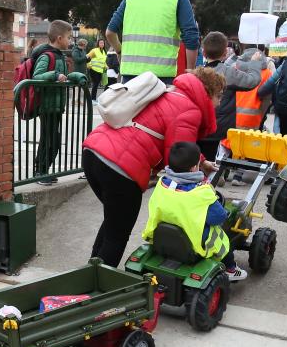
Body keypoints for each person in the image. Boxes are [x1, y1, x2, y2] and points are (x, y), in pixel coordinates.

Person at [81, 67, 224, 267]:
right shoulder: (190, 109)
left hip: (94, 152)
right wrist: (201, 185)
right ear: (208, 93)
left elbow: (176, 144)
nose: (219, 103)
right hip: (120, 166)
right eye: (219, 97)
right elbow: (178, 159)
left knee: (113, 221)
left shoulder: (171, 93)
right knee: (117, 234)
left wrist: (200, 160)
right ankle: (97, 288)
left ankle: (91, 272)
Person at [144, 141, 247, 282]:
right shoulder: (201, 192)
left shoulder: (162, 183)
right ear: (194, 168)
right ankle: (230, 268)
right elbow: (219, 217)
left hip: (161, 234)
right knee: (223, 239)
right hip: (192, 240)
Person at [106, 0, 200, 82]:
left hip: (130, 76)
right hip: (162, 78)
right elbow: (191, 36)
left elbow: (110, 32)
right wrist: (190, 71)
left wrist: (120, 51)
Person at [201, 31, 264, 161]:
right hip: (218, 127)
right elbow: (252, 81)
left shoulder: (196, 73)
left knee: (198, 158)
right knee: (209, 158)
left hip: (198, 124)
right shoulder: (227, 72)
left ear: (203, 52)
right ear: (225, 53)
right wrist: (254, 63)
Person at [31, 20, 78, 186]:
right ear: (59, 38)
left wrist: (75, 77)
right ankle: (39, 172)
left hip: (57, 107)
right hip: (47, 106)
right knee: (49, 140)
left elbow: (62, 77)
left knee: (53, 140)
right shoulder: (47, 56)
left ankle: (44, 171)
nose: (70, 41)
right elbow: (36, 77)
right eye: (68, 37)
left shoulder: (60, 56)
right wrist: (54, 75)